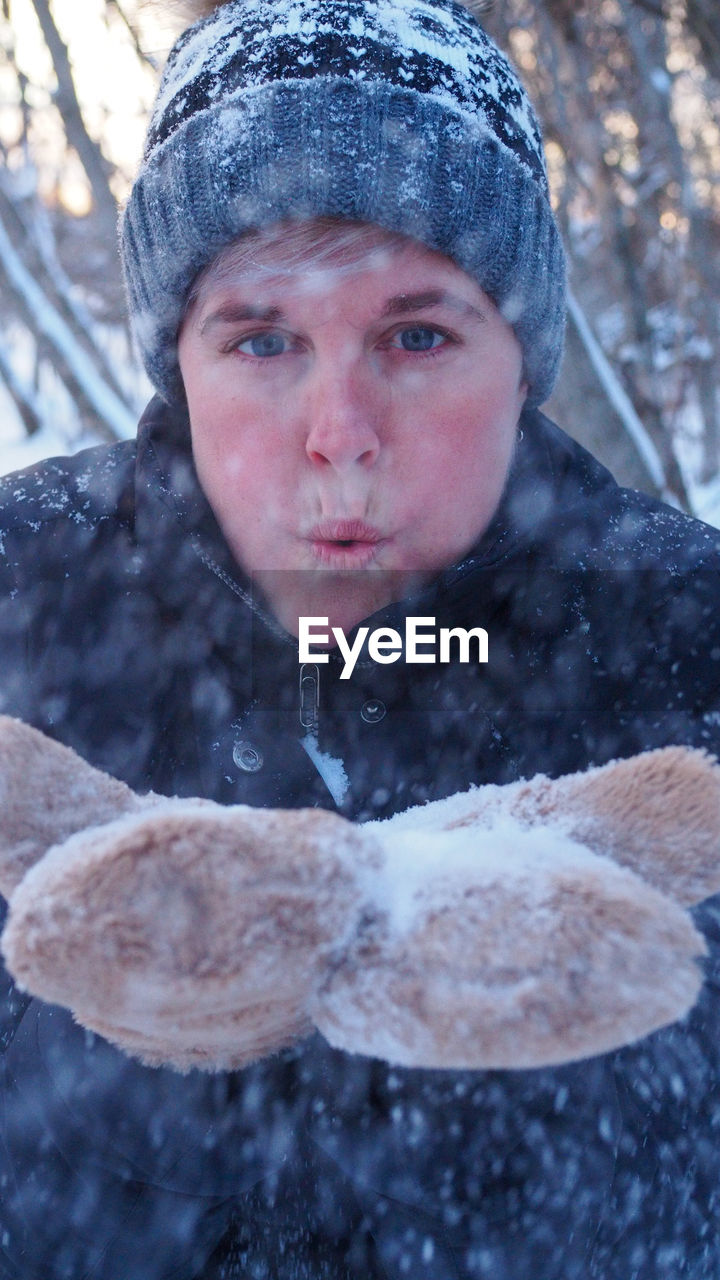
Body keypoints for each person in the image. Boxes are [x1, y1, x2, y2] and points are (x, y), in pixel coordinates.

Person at [1, 0, 720, 1276]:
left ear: (521, 358)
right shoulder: (22, 589)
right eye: (264, 338)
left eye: (418, 334)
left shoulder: (689, 637)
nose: (340, 428)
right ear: (179, 361)